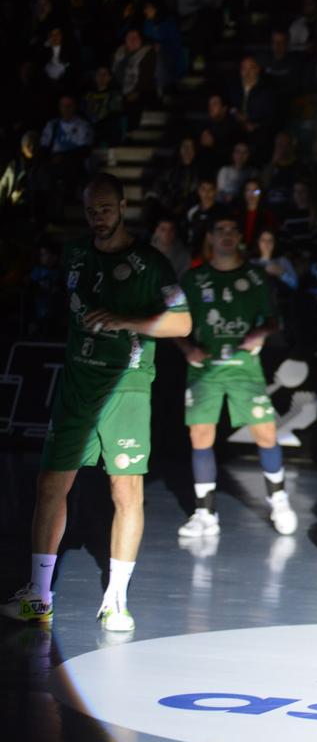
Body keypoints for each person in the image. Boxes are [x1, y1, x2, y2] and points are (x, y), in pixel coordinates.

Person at [1, 174, 193, 630]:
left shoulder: (149, 262)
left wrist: (125, 320)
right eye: (91, 210)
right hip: (77, 386)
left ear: (122, 206)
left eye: (106, 209)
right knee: (52, 485)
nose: (98, 218)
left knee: (125, 490)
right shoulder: (75, 254)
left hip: (126, 385)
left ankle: (117, 599)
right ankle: (38, 596)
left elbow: (181, 324)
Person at [174, 215, 296, 539]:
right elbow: (172, 322)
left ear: (240, 238)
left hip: (244, 367)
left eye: (232, 230)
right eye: (220, 230)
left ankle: (279, 499)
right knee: (200, 437)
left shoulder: (254, 277)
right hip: (205, 368)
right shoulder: (193, 278)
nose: (226, 235)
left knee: (266, 432)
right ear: (211, 238)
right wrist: (187, 349)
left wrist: (259, 332)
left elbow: (273, 321)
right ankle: (205, 513)